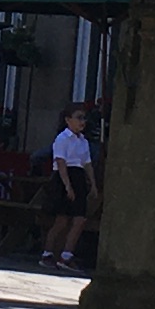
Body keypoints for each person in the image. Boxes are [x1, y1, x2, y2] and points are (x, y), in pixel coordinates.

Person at [39, 107, 100, 271]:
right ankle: (47, 254)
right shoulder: (62, 139)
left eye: (84, 118)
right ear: (68, 120)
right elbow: (61, 162)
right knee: (62, 220)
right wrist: (67, 186)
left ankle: (66, 255)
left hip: (78, 177)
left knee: (80, 219)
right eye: (78, 118)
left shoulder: (83, 141)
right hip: (64, 177)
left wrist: (93, 184)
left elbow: (87, 163)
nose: (82, 122)